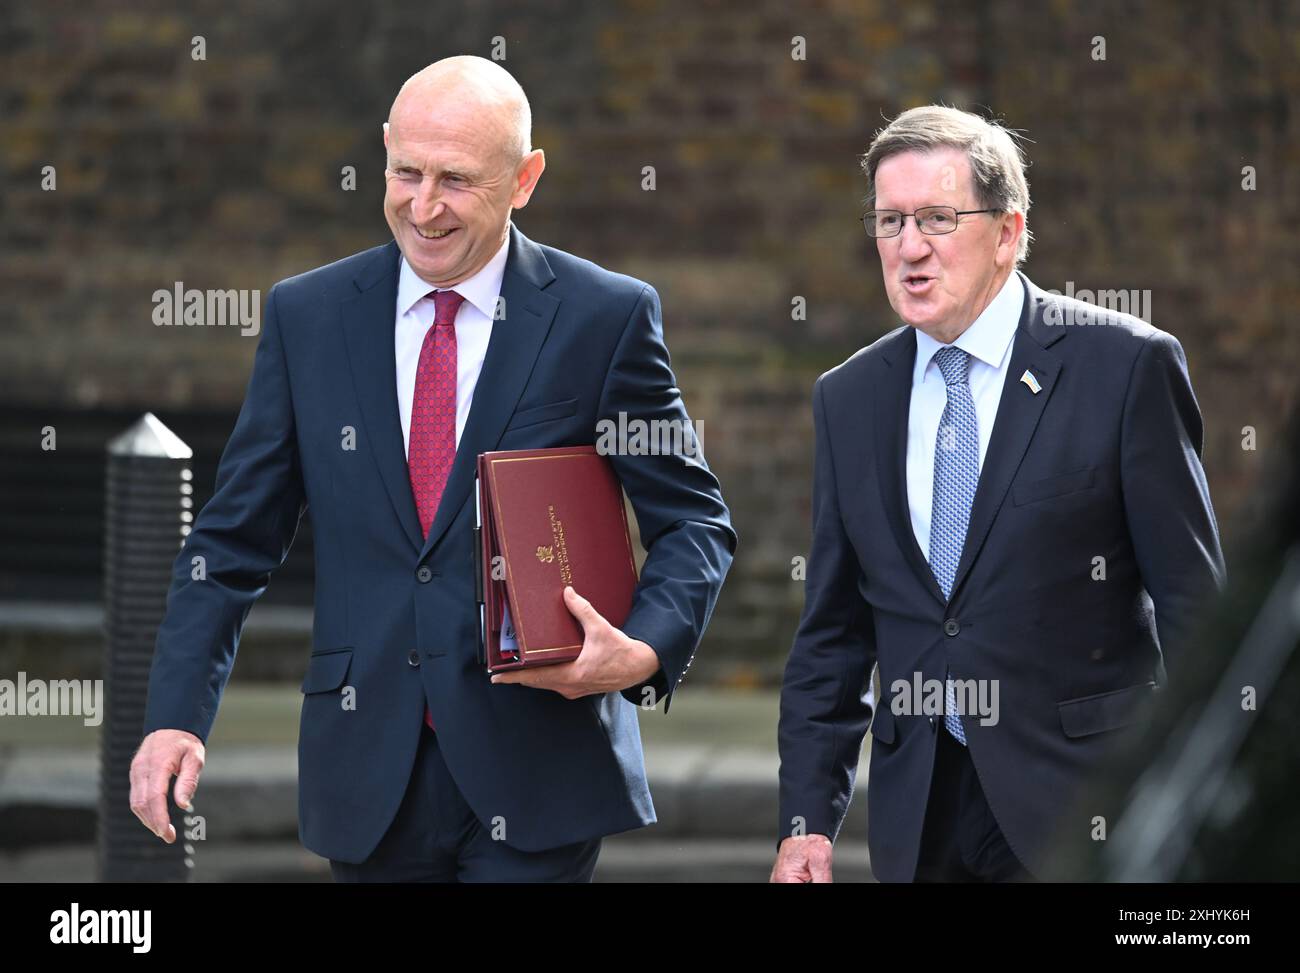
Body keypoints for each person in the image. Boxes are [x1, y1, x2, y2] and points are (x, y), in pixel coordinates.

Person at [130, 56, 735, 882]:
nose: (422, 206)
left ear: (525, 179)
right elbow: (232, 540)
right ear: (383, 150)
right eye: (405, 171)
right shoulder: (306, 316)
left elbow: (693, 521)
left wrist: (643, 650)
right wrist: (175, 718)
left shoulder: (605, 317)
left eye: (455, 179)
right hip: (366, 767)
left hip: (538, 764)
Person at [771, 105, 1224, 883]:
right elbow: (834, 635)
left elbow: (1197, 614)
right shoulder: (848, 398)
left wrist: (1202, 802)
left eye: (938, 219)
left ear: (1009, 232)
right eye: (889, 221)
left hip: (1080, 805)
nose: (909, 247)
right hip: (921, 820)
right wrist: (806, 825)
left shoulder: (1123, 367)